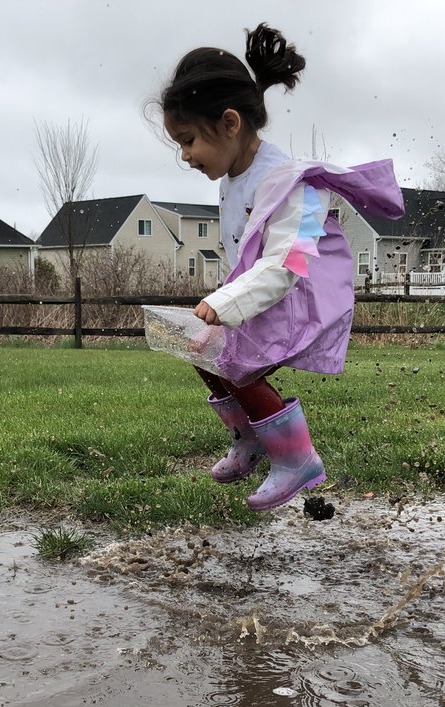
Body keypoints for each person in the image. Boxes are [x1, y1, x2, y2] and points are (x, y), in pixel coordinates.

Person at [158, 23, 404, 510]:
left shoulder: (293, 183)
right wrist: (220, 304)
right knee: (197, 346)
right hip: (262, 299)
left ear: (230, 123)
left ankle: (297, 459)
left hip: (299, 301)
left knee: (236, 363)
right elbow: (243, 254)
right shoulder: (232, 178)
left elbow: (285, 265)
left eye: (188, 141)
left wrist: (226, 303)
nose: (185, 156)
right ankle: (251, 438)